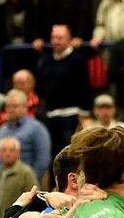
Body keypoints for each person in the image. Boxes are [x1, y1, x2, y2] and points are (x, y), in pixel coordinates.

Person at [36, 24, 91, 158]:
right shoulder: (46, 60)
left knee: (69, 156)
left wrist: (84, 114)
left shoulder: (78, 60)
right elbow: (41, 87)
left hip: (71, 116)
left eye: (60, 38)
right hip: (50, 116)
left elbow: (85, 88)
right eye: (53, 37)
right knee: (52, 156)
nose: (55, 41)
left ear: (68, 39)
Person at [0, 91, 52, 183]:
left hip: (28, 183)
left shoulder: (37, 128)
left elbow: (43, 160)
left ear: (25, 107)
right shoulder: (2, 130)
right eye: (8, 106)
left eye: (15, 106)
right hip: (4, 183)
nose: (11, 109)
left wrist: (30, 182)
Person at [0, 137, 39, 218]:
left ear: (18, 153)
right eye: (4, 150)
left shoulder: (26, 172)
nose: (7, 153)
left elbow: (34, 199)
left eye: (11, 150)